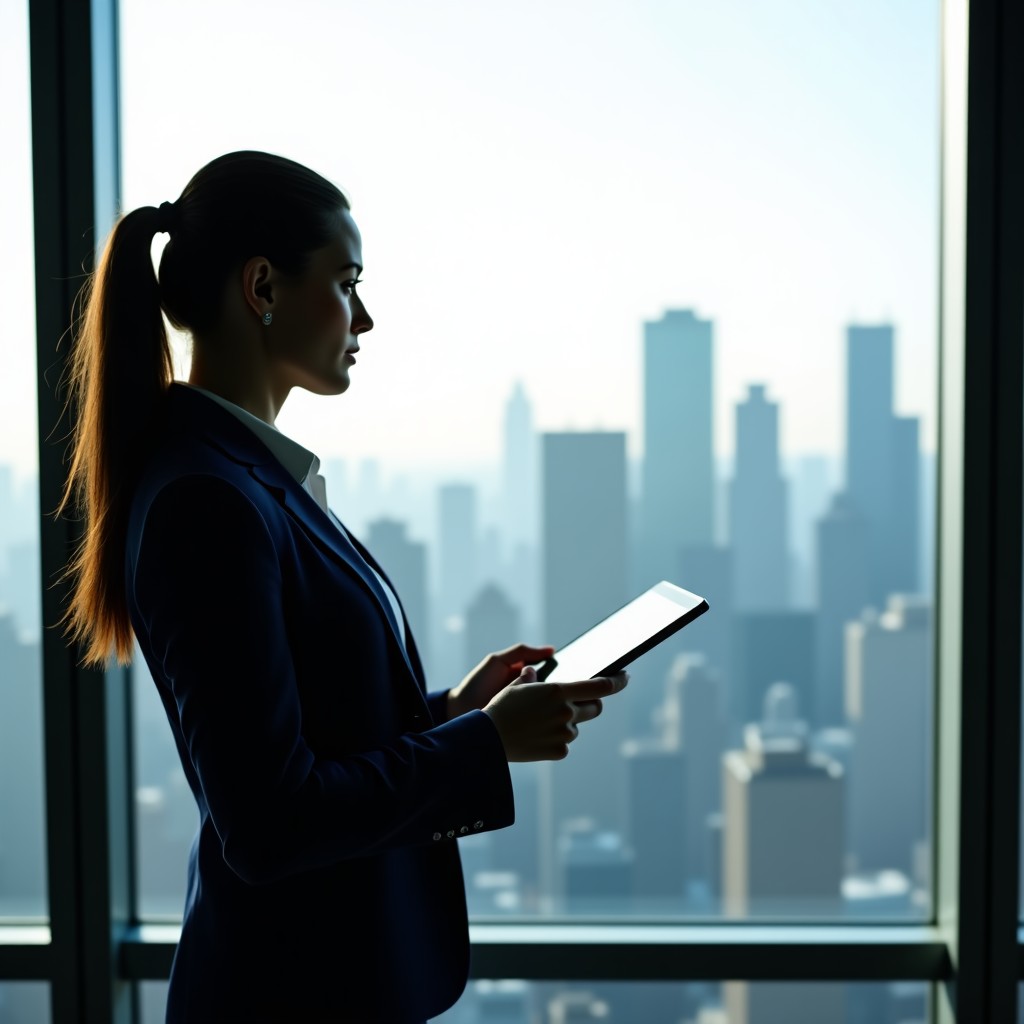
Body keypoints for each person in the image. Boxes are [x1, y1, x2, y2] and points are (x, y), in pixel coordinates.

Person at [57, 150, 628, 1023]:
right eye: (347, 281)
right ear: (263, 288)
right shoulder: (208, 500)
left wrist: (455, 711)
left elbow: (310, 735)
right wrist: (481, 747)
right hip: (290, 994)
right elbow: (270, 820)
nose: (366, 316)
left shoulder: (243, 477)